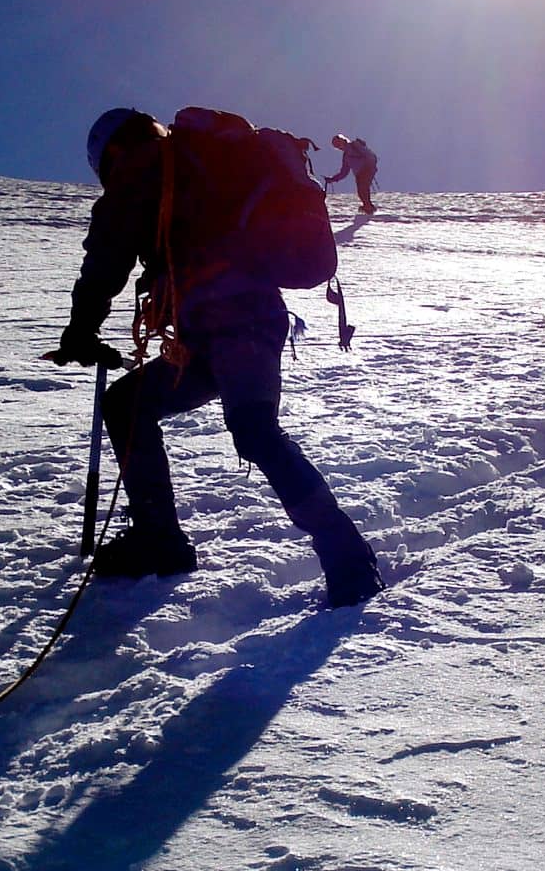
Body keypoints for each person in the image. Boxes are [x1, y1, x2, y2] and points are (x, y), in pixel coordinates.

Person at [48, 108, 383, 609]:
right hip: (226, 327)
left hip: (231, 323)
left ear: (113, 151)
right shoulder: (188, 164)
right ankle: (160, 540)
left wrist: (81, 331)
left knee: (253, 431)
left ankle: (349, 560)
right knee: (129, 405)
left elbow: (107, 253)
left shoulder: (143, 166)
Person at [324, 133, 379, 214]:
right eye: (336, 146)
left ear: (343, 140)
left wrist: (369, 166)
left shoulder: (354, 145)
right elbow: (344, 172)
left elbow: (369, 155)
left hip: (366, 169)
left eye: (338, 143)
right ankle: (368, 208)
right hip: (360, 174)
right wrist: (333, 179)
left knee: (363, 189)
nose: (339, 147)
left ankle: (368, 208)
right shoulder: (346, 156)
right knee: (361, 191)